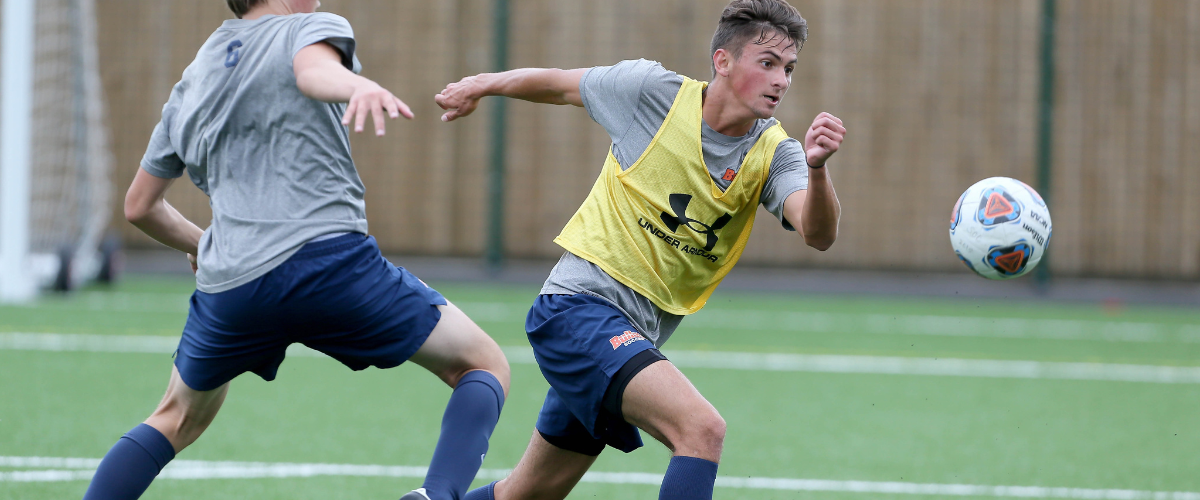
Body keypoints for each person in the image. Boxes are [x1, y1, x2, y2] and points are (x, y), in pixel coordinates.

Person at [81, 1, 509, 499]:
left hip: (231, 288)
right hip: (325, 265)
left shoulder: (192, 80)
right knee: (483, 364)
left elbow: (139, 207)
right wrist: (358, 85)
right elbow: (312, 73)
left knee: (175, 416)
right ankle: (436, 495)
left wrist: (207, 244)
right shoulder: (308, 28)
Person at [435, 0, 845, 498]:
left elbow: (816, 231)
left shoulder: (776, 152)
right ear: (722, 61)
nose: (781, 80)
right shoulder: (651, 92)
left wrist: (819, 169)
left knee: (529, 493)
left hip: (634, 334)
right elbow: (559, 83)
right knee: (701, 429)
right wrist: (481, 84)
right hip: (577, 311)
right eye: (767, 63)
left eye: (789, 68)